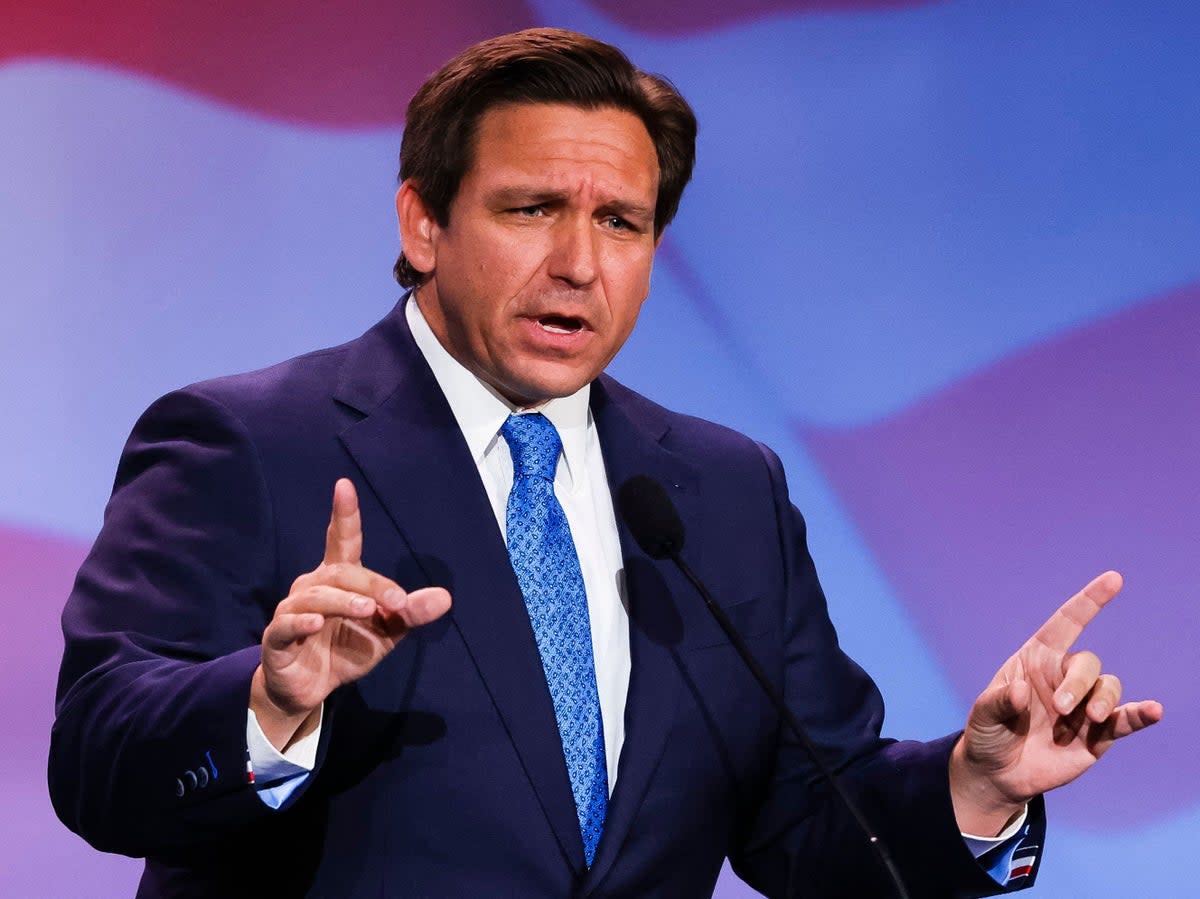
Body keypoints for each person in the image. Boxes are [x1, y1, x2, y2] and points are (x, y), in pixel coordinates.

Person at [50, 27, 1161, 898]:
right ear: (424, 221)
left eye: (621, 222)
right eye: (532, 209)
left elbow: (811, 822)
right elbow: (99, 761)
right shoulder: (247, 441)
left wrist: (977, 784)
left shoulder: (722, 488)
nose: (579, 263)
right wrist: (266, 703)